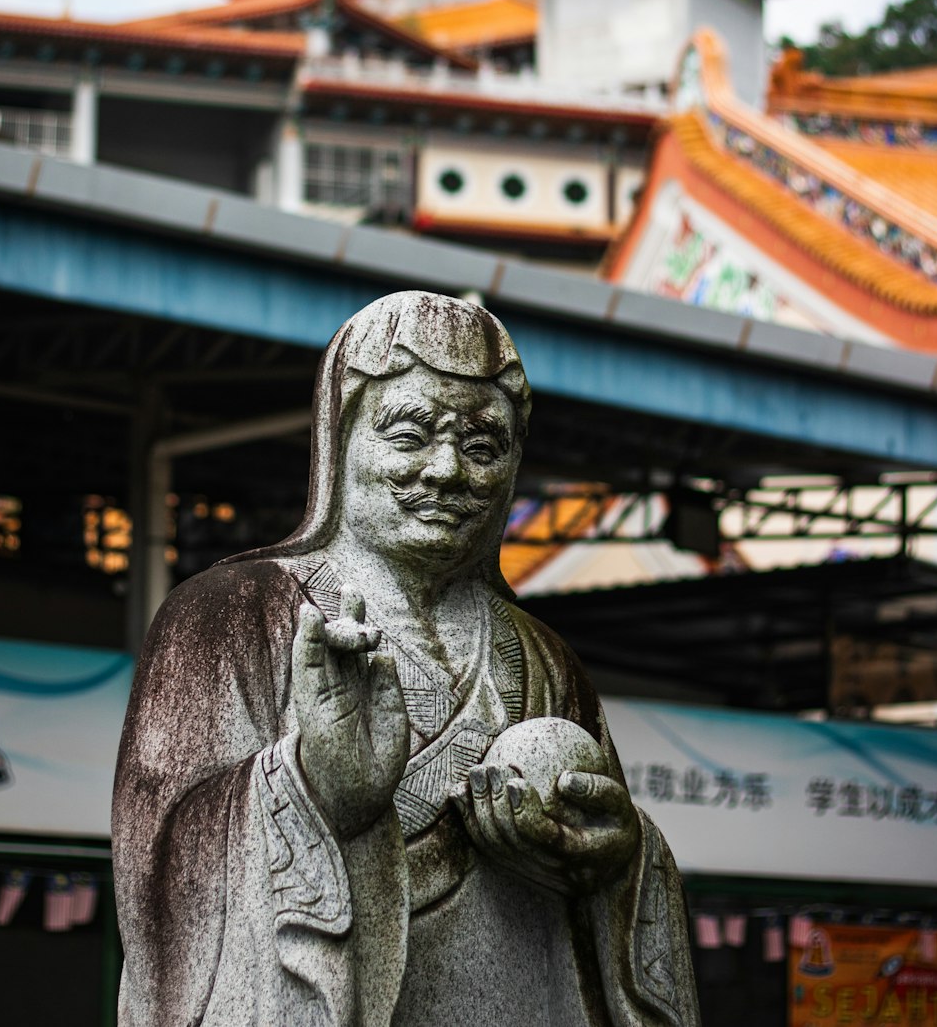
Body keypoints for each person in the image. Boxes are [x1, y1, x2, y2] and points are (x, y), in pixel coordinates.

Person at [113, 291, 699, 1026]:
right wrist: (315, 786)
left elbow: (610, 862)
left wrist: (613, 858)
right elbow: (157, 869)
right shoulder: (229, 615)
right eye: (410, 433)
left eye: (484, 447)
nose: (448, 470)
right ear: (342, 439)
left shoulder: (545, 660)